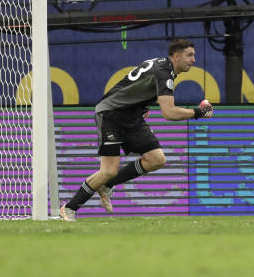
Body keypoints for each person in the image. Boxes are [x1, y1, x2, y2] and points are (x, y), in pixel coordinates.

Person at [59, 38, 213, 221]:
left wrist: (141, 107)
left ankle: (107, 185)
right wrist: (199, 112)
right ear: (177, 56)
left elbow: (135, 86)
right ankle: (69, 208)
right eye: (190, 55)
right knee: (108, 170)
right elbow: (169, 113)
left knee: (156, 159)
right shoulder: (164, 73)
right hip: (112, 115)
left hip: (132, 116)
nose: (194, 59)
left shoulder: (161, 66)